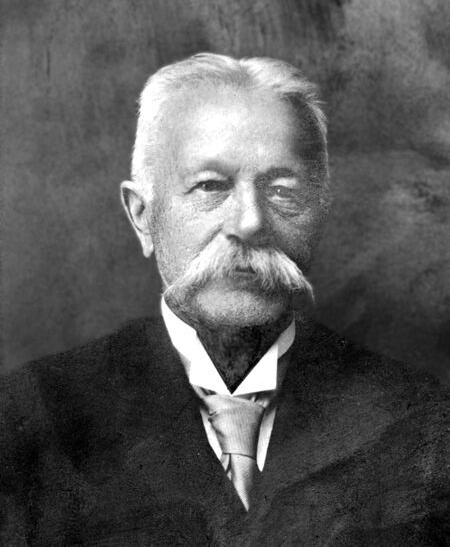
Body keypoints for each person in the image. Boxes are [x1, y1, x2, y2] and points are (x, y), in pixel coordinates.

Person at [1, 53, 448, 546]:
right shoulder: (29, 421)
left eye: (282, 190)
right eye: (211, 186)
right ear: (142, 216)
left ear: (321, 210)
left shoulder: (421, 420)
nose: (250, 221)